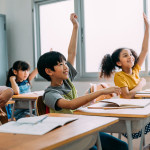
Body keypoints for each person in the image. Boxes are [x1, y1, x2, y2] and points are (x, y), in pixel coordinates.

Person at [37, 13, 128, 150]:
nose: (66, 66)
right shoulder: (50, 94)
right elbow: (71, 104)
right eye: (60, 64)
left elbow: (72, 53)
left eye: (65, 63)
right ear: (49, 71)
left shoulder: (66, 80)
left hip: (79, 127)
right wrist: (102, 91)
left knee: (121, 146)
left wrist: (75, 27)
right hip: (65, 135)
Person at [100, 13, 149, 139]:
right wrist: (141, 84)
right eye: (125, 55)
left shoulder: (136, 69)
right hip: (130, 116)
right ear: (118, 62)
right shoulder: (119, 76)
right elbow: (126, 96)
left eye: (131, 54)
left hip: (139, 110)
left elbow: (144, 50)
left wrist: (147, 27)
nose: (131, 57)